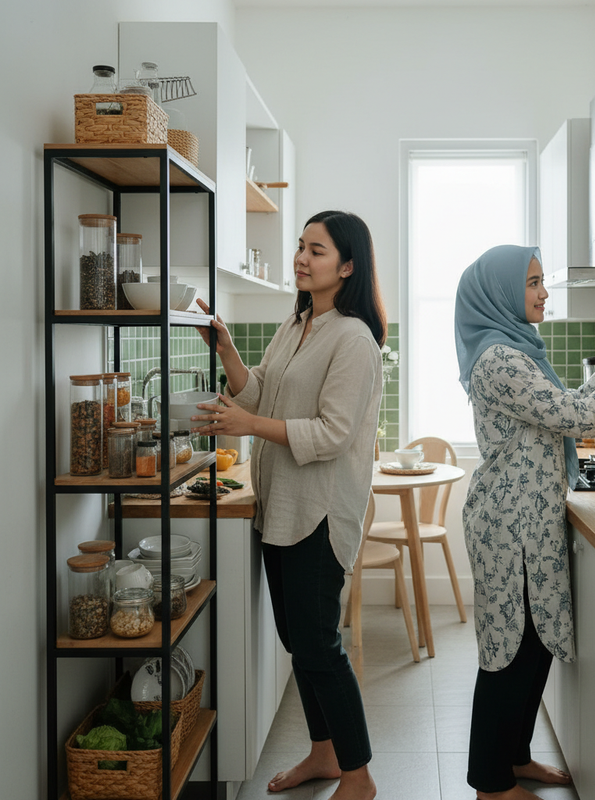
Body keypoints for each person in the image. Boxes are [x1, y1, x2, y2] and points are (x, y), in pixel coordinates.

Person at [453, 244, 595, 800]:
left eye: (541, 281)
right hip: (509, 525)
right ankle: (490, 782)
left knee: (535, 645)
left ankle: (515, 756)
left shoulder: (517, 350)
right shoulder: (498, 359)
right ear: (502, 292)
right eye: (532, 282)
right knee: (509, 649)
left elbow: (563, 403)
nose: (543, 292)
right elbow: (577, 417)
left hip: (529, 519)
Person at [191, 210, 385, 800]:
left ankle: (359, 776)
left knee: (320, 646)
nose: (302, 258)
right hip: (281, 506)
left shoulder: (353, 338)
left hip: (320, 513)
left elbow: (331, 433)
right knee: (300, 643)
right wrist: (226, 350)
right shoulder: (296, 324)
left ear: (347, 266)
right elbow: (260, 392)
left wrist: (249, 424)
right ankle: (324, 755)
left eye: (317, 251)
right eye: (301, 247)